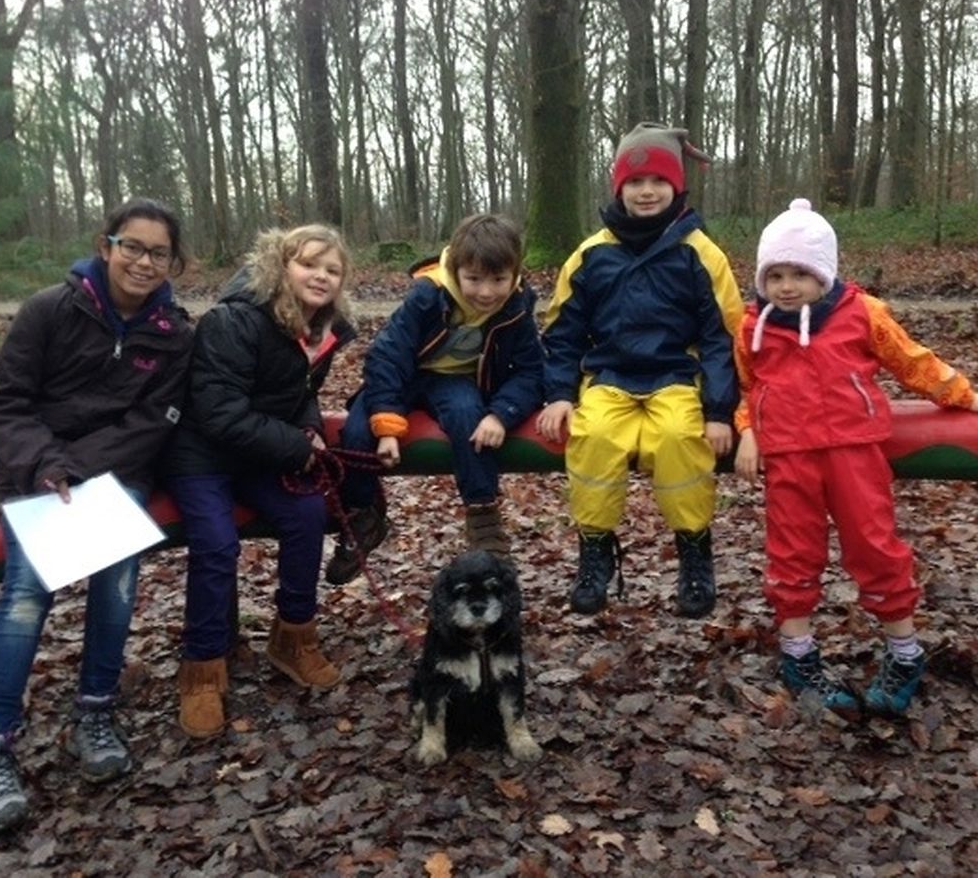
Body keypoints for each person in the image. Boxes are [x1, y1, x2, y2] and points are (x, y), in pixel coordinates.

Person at [733, 199, 978, 716]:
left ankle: (905, 652)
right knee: (792, 553)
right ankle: (798, 655)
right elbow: (749, 386)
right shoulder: (753, 325)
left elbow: (910, 361)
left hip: (854, 450)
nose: (787, 286)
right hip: (789, 457)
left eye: (800, 273)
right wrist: (748, 429)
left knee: (874, 545)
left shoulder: (862, 313)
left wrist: (963, 395)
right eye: (775, 275)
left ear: (824, 274)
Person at [0, 198, 195, 833]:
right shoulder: (49, 310)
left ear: (173, 262)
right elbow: (4, 402)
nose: (144, 262)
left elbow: (156, 419)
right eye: (133, 247)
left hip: (116, 480)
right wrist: (48, 466)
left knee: (117, 584)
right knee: (25, 596)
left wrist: (82, 468)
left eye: (159, 253)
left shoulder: (174, 333)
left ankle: (95, 711)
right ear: (106, 245)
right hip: (35, 477)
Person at [536, 122, 743, 618]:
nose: (646, 192)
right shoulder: (591, 254)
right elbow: (562, 332)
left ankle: (694, 552)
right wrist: (560, 394)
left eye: (657, 181)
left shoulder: (700, 253)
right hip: (609, 377)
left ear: (676, 186)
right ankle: (595, 551)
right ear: (618, 188)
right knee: (594, 437)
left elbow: (722, 336)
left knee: (678, 438)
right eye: (634, 182)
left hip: (677, 375)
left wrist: (719, 410)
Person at [166, 224, 355, 740]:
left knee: (308, 513)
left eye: (332, 269)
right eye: (308, 264)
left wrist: (310, 429)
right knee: (215, 542)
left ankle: (294, 638)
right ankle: (203, 669)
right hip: (202, 455)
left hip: (260, 454)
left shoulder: (322, 329)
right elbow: (218, 411)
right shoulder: (235, 320)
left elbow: (301, 396)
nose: (320, 276)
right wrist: (296, 445)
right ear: (281, 265)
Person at [323, 213, 544, 584]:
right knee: (359, 434)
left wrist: (501, 414)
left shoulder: (516, 306)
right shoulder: (428, 296)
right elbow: (388, 357)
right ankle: (363, 516)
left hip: (455, 381)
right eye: (474, 279)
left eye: (498, 280)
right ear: (455, 270)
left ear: (515, 274)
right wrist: (388, 424)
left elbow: (531, 371)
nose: (486, 292)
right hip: (404, 377)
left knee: (468, 417)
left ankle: (483, 516)